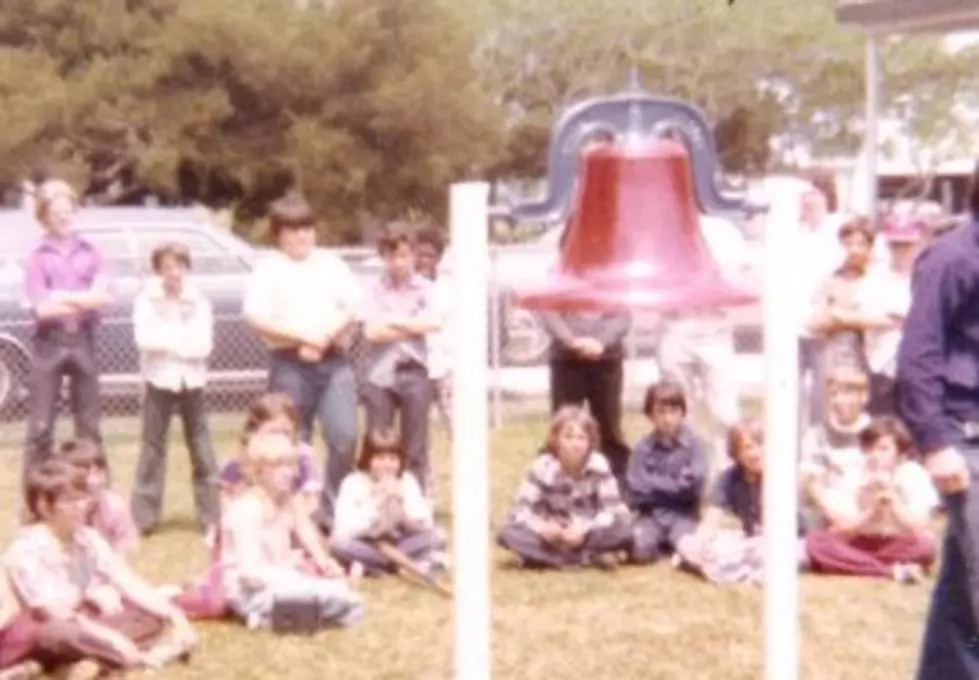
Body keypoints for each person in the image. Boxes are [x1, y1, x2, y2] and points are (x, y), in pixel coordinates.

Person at [896, 166, 979, 679]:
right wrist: (935, 441)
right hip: (966, 441)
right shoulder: (950, 259)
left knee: (961, 594)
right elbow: (917, 359)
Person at [3, 461, 197, 677]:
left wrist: (175, 615)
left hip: (78, 624)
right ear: (44, 506)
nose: (82, 506)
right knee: (58, 632)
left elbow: (128, 582)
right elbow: (53, 613)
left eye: (83, 497)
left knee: (147, 615)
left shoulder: (88, 539)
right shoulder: (27, 550)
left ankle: (82, 663)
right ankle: (56, 663)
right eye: (70, 500)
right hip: (34, 635)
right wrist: (109, 637)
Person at [242, 193, 361, 533]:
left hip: (333, 360)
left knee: (344, 434)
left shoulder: (331, 264)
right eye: (292, 230)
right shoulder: (268, 270)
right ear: (278, 234)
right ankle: (293, 515)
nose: (301, 236)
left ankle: (332, 511)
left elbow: (352, 307)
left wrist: (323, 338)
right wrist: (301, 338)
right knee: (293, 440)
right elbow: (256, 318)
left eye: (306, 228)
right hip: (289, 363)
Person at [220, 433, 363, 631]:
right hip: (250, 591)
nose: (288, 473)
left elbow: (297, 541)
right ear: (259, 471)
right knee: (335, 597)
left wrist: (320, 566)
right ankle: (267, 615)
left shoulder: (286, 503)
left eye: (291, 465)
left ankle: (290, 616)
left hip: (280, 581)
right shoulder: (247, 509)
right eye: (279, 466)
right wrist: (293, 579)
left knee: (345, 596)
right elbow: (249, 573)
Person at [21, 180, 110, 492]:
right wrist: (80, 297)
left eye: (68, 209)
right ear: (44, 216)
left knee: (89, 425)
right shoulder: (37, 256)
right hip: (49, 343)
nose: (63, 216)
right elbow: (42, 309)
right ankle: (37, 496)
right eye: (56, 211)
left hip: (83, 339)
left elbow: (102, 298)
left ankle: (97, 493)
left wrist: (62, 296)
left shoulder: (91, 252)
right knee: (41, 427)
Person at [130, 242, 219, 537]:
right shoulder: (146, 300)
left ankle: (211, 516)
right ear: (159, 271)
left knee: (201, 447)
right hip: (158, 379)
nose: (174, 273)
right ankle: (144, 518)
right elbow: (145, 339)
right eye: (167, 267)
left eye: (179, 266)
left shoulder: (199, 300)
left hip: (192, 380)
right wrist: (179, 340)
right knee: (152, 448)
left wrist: (169, 341)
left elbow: (203, 345)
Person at [497, 405, 633, 570]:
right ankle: (586, 558)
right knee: (508, 533)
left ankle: (551, 559)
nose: (575, 444)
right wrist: (543, 528)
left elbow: (610, 510)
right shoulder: (541, 467)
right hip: (552, 534)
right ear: (556, 440)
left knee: (624, 530)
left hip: (588, 531)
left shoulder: (599, 465)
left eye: (581, 438)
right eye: (568, 437)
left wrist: (583, 530)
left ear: (590, 442)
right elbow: (520, 511)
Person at [805, 417, 938, 583]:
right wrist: (871, 511)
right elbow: (840, 528)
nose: (874, 455)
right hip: (859, 543)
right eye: (869, 448)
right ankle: (892, 571)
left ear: (900, 453)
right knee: (817, 543)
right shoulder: (853, 475)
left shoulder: (913, 474)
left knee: (926, 544)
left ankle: (864, 566)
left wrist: (894, 500)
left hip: (897, 543)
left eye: (883, 449)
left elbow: (919, 526)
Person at [360, 223, 440, 498]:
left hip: (415, 370)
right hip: (381, 373)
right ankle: (376, 499)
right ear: (383, 257)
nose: (399, 263)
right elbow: (372, 331)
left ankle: (415, 500)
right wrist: (411, 323)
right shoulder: (374, 289)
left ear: (414, 256)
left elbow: (432, 323)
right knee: (378, 440)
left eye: (405, 256)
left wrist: (392, 320)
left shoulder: (425, 288)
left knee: (415, 443)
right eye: (393, 256)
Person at [331, 429, 445, 576]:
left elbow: (425, 524)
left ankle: (374, 567)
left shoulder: (406, 481)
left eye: (392, 459)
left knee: (438, 536)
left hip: (400, 543)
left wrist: (403, 501)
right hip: (368, 544)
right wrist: (378, 502)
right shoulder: (353, 483)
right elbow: (345, 530)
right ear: (368, 459)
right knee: (339, 544)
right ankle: (402, 564)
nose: (386, 465)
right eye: (380, 458)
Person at [540, 310, 632, 484]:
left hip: (607, 358)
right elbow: (548, 310)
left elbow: (623, 312)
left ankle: (614, 485)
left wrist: (601, 342)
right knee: (564, 425)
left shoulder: (613, 281)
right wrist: (571, 341)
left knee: (609, 427)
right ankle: (556, 483)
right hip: (565, 359)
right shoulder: (558, 281)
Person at [627, 381, 708, 563]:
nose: (667, 419)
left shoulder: (694, 446)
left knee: (690, 549)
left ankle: (676, 547)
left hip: (683, 515)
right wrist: (675, 484)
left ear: (683, 413)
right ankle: (660, 545)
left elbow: (693, 487)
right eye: (661, 412)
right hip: (651, 516)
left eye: (673, 411)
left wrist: (652, 482)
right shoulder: (642, 448)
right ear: (650, 415)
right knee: (639, 550)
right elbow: (636, 489)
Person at [799, 361, 873, 530]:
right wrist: (838, 518)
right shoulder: (816, 435)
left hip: (869, 515)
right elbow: (811, 484)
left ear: (863, 397)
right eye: (834, 394)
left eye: (848, 394)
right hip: (834, 517)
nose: (840, 400)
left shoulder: (875, 431)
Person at [55, 439, 138, 557]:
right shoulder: (60, 510)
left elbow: (128, 546)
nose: (95, 480)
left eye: (99, 471)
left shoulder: (114, 506)